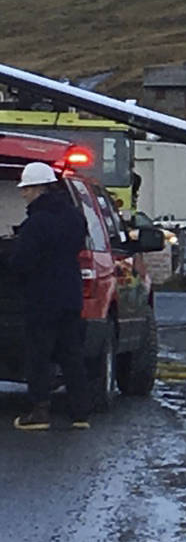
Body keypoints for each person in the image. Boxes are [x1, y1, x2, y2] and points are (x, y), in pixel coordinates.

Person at [11, 162, 94, 430]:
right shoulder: (74, 217)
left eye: (26, 189)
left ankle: (39, 412)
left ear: (37, 189)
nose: (23, 194)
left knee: (39, 357)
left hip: (41, 299)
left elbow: (21, 261)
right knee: (71, 355)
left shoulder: (36, 223)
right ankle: (80, 413)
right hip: (70, 296)